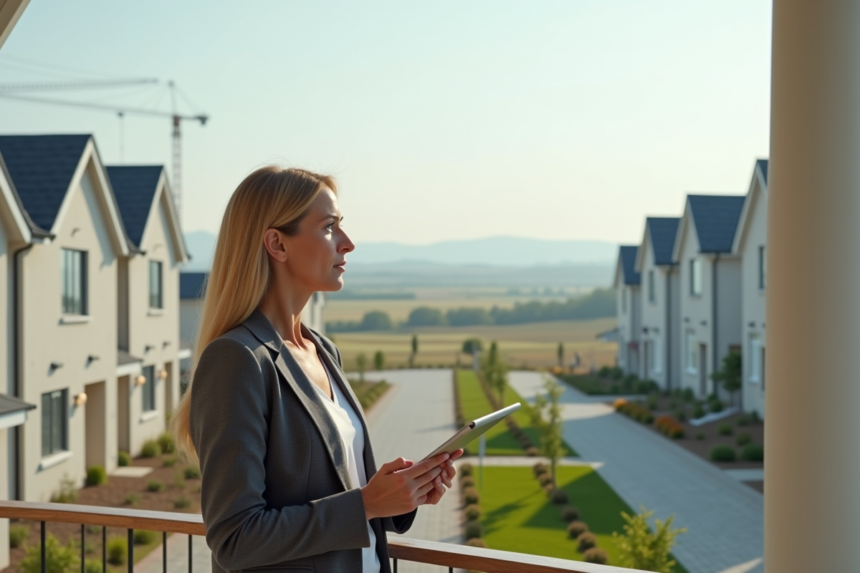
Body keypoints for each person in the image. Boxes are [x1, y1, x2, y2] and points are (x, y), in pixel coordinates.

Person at [172, 166, 461, 572]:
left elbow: (336, 493)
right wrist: (367, 503)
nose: (348, 243)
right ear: (277, 243)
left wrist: (399, 497)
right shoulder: (237, 359)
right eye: (329, 228)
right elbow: (234, 538)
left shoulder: (322, 350)